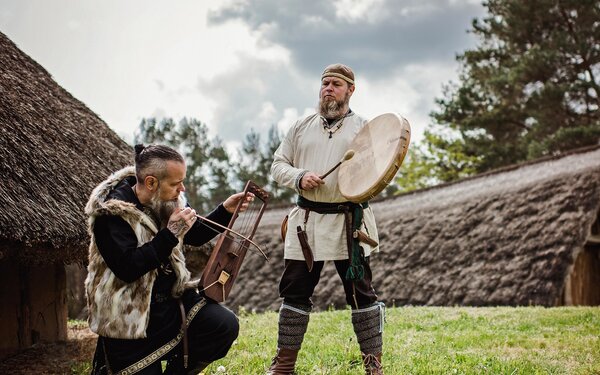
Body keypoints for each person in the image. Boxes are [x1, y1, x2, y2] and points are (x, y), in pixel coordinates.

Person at [85, 144, 250, 374]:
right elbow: (128, 268)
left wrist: (225, 210)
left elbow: (193, 234)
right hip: (129, 319)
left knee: (223, 325)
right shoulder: (111, 213)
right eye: (175, 183)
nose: (181, 189)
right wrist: (170, 233)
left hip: (171, 304)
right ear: (151, 182)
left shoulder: (171, 198)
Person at [268, 63, 385, 375]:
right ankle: (284, 365)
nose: (328, 89)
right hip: (307, 223)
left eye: (336, 84)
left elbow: (374, 172)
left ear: (350, 90)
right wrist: (299, 176)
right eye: (325, 83)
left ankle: (373, 366)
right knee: (294, 291)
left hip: (349, 223)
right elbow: (278, 164)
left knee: (361, 294)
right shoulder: (300, 127)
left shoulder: (364, 128)